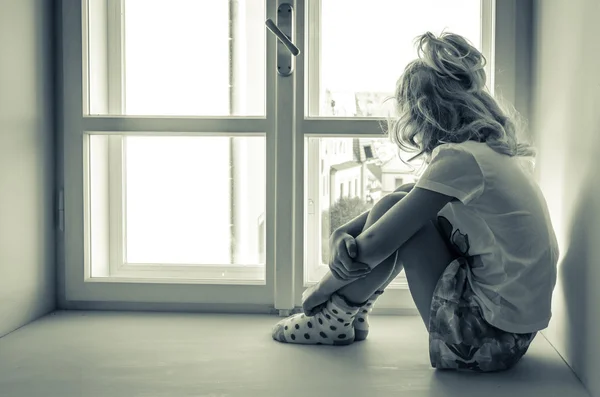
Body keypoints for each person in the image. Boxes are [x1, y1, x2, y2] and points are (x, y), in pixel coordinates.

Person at [271, 31, 559, 373]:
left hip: (482, 339)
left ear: (425, 115)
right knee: (402, 200)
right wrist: (344, 231)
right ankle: (351, 311)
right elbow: (407, 197)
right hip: (511, 336)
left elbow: (381, 240)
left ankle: (335, 316)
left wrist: (318, 293)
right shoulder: (489, 154)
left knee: (411, 227)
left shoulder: (459, 159)